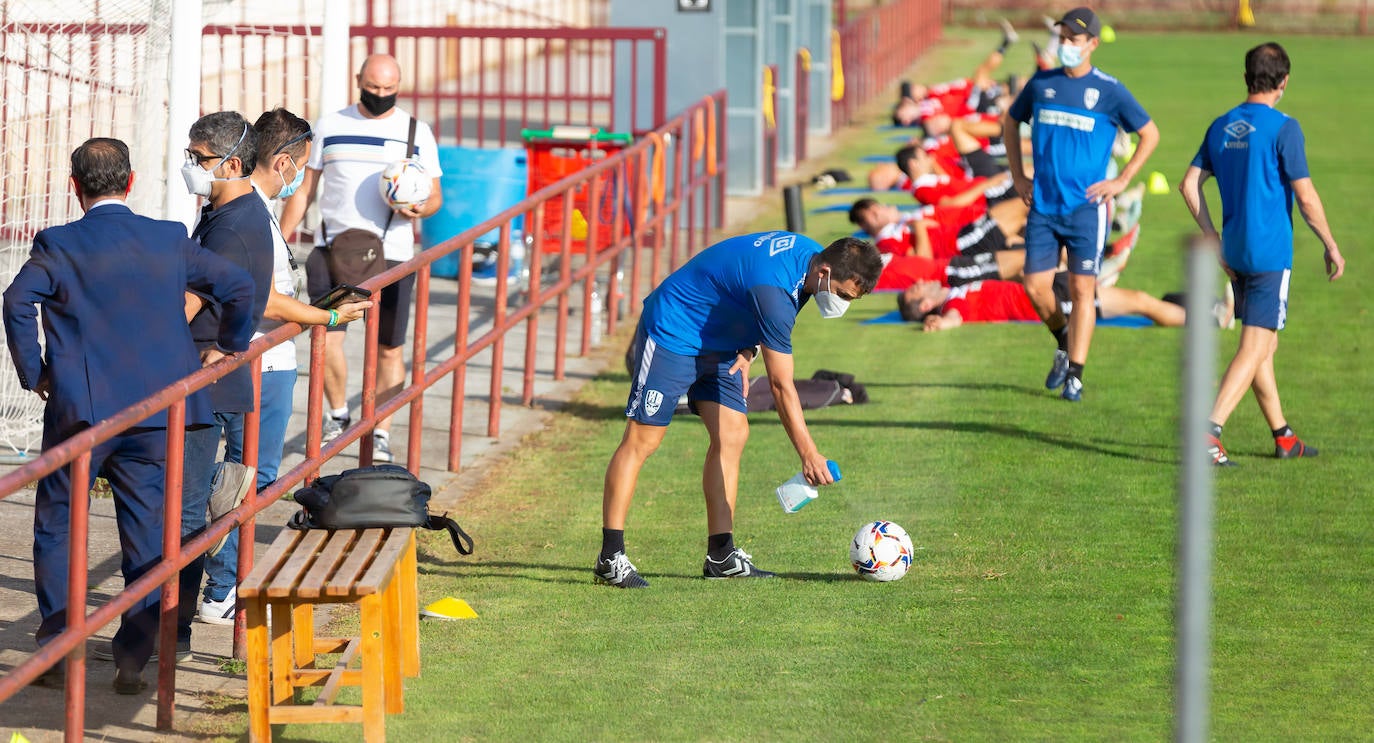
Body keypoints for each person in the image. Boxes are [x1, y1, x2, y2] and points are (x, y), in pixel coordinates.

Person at [2, 138, 255, 693]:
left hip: (82, 411)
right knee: (147, 532)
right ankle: (134, 655)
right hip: (158, 409)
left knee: (58, 525)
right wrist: (229, 346)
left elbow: (16, 301)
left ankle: (58, 644)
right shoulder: (166, 236)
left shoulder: (59, 242)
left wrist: (37, 373)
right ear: (131, 181)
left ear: (75, 185)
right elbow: (239, 286)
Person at [595, 233, 884, 588]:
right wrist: (808, 455)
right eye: (842, 294)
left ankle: (721, 556)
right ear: (825, 271)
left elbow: (741, 285)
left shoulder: (811, 264)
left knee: (733, 433)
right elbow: (781, 387)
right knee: (643, 440)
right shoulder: (776, 291)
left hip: (724, 343)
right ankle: (610, 557)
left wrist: (748, 348)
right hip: (675, 329)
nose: (841, 304)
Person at [195, 108, 373, 625]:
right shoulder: (249, 211)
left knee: (246, 473)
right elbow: (263, 297)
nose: (305, 180)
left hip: (262, 360)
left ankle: (216, 576)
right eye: (302, 167)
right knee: (251, 477)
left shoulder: (251, 207)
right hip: (258, 362)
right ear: (283, 161)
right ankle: (220, 588)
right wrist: (328, 314)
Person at [1179, 42, 1345, 466]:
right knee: (1257, 344)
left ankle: (1283, 436)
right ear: (1284, 81)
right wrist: (1330, 244)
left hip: (1233, 251)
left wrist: (1212, 236)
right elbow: (1306, 198)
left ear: (1246, 78)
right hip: (1270, 254)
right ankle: (1208, 431)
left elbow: (1188, 185)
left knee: (1261, 347)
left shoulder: (1221, 125)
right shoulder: (1284, 128)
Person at [279, 53, 444, 462]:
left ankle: (382, 431)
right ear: (359, 80)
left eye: (390, 89)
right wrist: (281, 239)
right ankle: (338, 414)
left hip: (393, 256)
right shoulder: (330, 125)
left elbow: (436, 197)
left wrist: (418, 208)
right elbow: (304, 189)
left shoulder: (415, 131)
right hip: (332, 249)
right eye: (374, 88)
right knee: (326, 335)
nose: (381, 96)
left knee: (389, 348)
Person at [1003, 6, 1159, 402]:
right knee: (1035, 286)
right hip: (1042, 205)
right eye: (1063, 38)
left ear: (1091, 44)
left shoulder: (1109, 91)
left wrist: (1122, 180)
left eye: (1073, 39)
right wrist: (1019, 175)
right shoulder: (1042, 84)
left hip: (1086, 210)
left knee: (1081, 289)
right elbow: (1010, 121)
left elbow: (1149, 133)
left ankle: (1076, 374)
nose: (1065, 45)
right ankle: (1063, 339)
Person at [173, 110, 277, 650]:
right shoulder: (230, 213)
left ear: (233, 163)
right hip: (210, 379)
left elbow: (190, 304)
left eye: (200, 160)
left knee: (186, 512)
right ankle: (171, 626)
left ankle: (173, 632)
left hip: (203, 384)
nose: (191, 168)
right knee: (187, 507)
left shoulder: (234, 226)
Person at [897, 274, 1232, 333]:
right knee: (1141, 302)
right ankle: (1214, 318)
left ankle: (1202, 312)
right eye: (916, 290)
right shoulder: (956, 306)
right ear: (926, 305)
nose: (920, 282)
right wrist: (942, 324)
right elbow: (956, 318)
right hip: (1056, 305)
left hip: (1050, 289)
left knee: (1141, 301)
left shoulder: (956, 291)